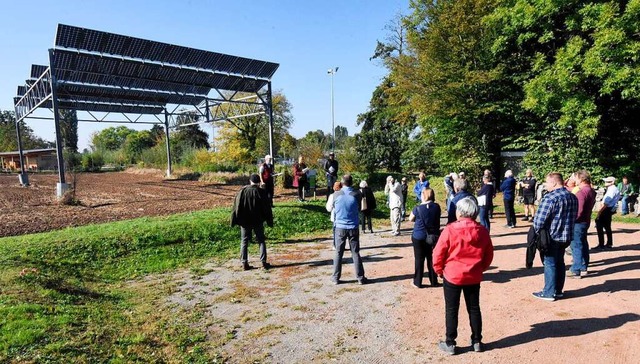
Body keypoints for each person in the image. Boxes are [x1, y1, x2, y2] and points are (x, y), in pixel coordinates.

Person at [433, 197, 494, 355]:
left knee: (451, 309)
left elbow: (438, 253)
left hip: (453, 275)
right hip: (473, 275)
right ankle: (477, 341)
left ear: (459, 212)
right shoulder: (482, 231)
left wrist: (439, 270)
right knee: (474, 308)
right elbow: (489, 255)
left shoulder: (450, 229)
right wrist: (481, 268)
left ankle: (450, 342)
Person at [531, 172, 578, 301]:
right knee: (560, 262)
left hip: (552, 236)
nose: (546, 185)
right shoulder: (572, 196)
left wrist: (535, 232)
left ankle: (548, 292)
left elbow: (539, 221)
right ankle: (558, 290)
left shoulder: (550, 198)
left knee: (550, 263)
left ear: (554, 182)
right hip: (566, 236)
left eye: (547, 182)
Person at [231, 174, 274, 271]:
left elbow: (236, 207)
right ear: (259, 182)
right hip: (258, 220)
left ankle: (244, 262)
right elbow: (267, 208)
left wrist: (235, 219)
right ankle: (263, 262)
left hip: (245, 221)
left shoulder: (242, 191)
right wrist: (268, 220)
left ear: (250, 181)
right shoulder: (261, 192)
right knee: (261, 240)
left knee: (244, 241)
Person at [330, 174, 367, 285]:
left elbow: (331, 208)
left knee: (338, 253)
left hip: (340, 227)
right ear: (352, 182)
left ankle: (336, 277)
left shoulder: (335, 195)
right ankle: (360, 277)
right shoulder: (357, 194)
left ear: (342, 182)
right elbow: (361, 208)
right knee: (355, 252)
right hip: (353, 226)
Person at [409, 188, 442, 288]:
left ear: (424, 196)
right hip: (433, 236)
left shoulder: (417, 208)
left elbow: (411, 219)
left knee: (419, 259)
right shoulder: (437, 207)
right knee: (431, 258)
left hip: (419, 236)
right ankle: (433, 280)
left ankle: (417, 282)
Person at [568, 170, 597, 278]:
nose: (574, 180)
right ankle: (583, 266)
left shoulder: (581, 192)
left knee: (576, 245)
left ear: (581, 178)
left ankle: (576, 269)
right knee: (583, 243)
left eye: (575, 177)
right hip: (585, 221)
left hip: (578, 222)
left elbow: (578, 211)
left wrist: (571, 220)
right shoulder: (590, 190)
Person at [594, 177, 621, 249]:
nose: (606, 182)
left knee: (600, 226)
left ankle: (602, 244)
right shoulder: (612, 189)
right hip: (608, 209)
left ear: (612, 182)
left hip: (606, 209)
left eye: (608, 181)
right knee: (607, 227)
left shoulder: (612, 189)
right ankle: (608, 243)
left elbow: (606, 203)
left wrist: (599, 213)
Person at [326, 181, 343, 250]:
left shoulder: (332, 196)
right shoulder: (344, 195)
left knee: (335, 232)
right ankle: (342, 245)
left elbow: (329, 208)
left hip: (335, 216)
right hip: (343, 216)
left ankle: (335, 245)